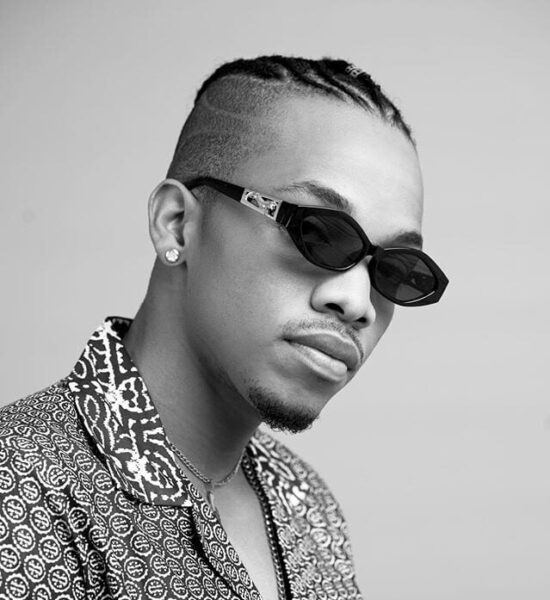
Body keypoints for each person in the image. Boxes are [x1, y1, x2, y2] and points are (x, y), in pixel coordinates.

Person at [0, 55, 448, 599]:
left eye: (397, 270)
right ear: (176, 224)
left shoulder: (307, 505)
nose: (358, 303)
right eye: (319, 233)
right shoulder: (20, 488)